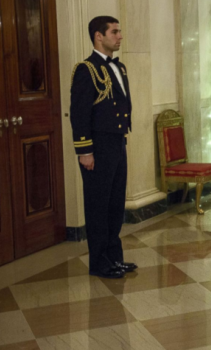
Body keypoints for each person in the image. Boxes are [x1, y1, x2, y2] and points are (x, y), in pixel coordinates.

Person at [70, 16, 136, 279]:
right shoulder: (86, 69)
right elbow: (79, 113)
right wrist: (84, 151)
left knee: (115, 203)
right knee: (98, 205)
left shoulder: (119, 67)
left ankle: (114, 257)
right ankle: (99, 262)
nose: (119, 36)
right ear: (99, 36)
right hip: (97, 147)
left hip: (117, 142)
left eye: (119, 31)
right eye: (115, 32)